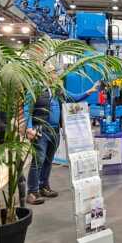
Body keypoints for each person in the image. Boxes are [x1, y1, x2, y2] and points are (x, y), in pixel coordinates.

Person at [24, 75, 100, 205]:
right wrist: (29, 128)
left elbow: (73, 98)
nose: (55, 75)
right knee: (38, 160)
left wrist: (90, 91)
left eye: (54, 72)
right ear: (45, 73)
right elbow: (27, 108)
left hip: (54, 131)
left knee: (48, 160)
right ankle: (32, 192)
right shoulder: (35, 88)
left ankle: (43, 186)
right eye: (52, 72)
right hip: (40, 130)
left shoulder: (57, 90)